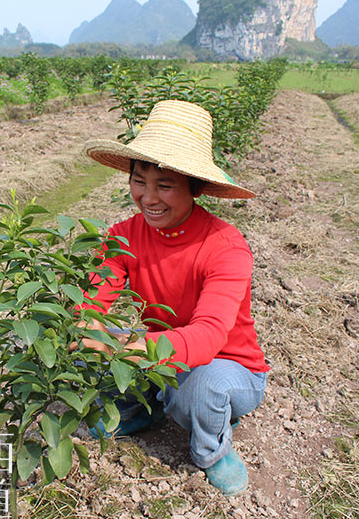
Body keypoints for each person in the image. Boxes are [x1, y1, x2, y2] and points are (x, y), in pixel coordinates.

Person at [78, 99, 269, 496]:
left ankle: (212, 450)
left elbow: (209, 337)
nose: (148, 197)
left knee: (201, 388)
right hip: (163, 353)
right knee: (77, 338)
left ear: (195, 188)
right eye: (139, 181)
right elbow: (93, 303)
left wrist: (125, 349)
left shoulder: (225, 247)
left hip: (228, 365)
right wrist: (88, 327)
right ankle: (137, 410)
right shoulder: (124, 235)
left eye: (164, 185)